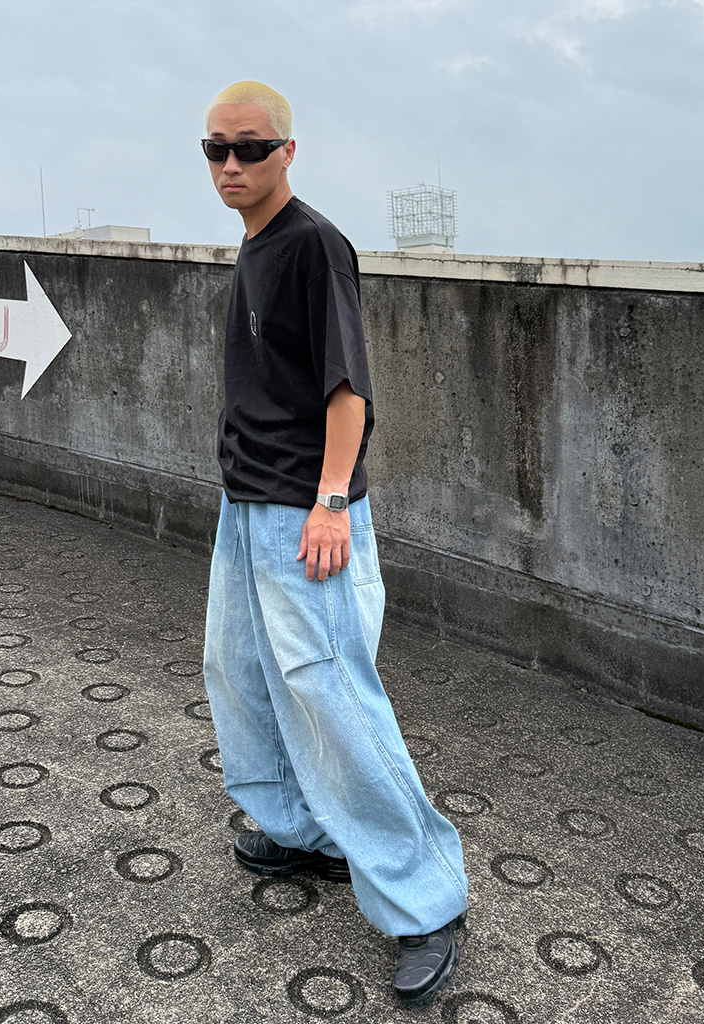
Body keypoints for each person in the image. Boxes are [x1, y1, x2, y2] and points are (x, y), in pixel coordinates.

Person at [201, 80, 468, 1006]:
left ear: (288, 151)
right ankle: (303, 831)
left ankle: (426, 899)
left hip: (302, 513)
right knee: (241, 674)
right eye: (216, 148)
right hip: (247, 504)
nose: (231, 164)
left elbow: (347, 389)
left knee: (334, 696)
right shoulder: (255, 244)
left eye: (250, 147)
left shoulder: (314, 243)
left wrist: (328, 503)